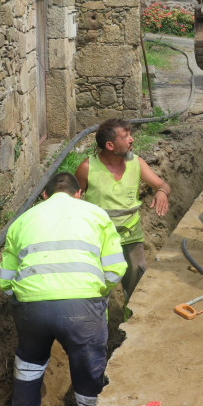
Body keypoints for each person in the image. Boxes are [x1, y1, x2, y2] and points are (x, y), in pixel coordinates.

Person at [0, 172, 126, 406]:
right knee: (88, 371)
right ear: (79, 194)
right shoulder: (96, 214)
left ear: (44, 195)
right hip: (81, 307)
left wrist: (24, 302)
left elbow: (5, 280)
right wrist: (96, 297)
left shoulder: (22, 221)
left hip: (32, 307)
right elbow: (115, 268)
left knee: (29, 366)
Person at [75, 118, 170, 317]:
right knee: (98, 286)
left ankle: (132, 322)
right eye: (125, 136)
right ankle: (102, 328)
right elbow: (72, 201)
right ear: (110, 145)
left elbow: (162, 185)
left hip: (130, 236)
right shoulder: (87, 168)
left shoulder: (137, 163)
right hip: (99, 240)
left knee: (136, 283)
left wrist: (161, 192)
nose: (132, 139)